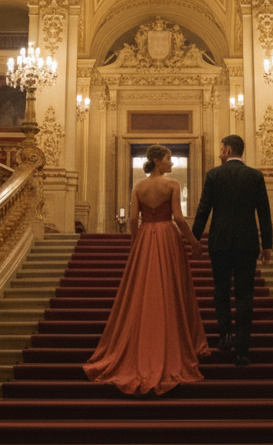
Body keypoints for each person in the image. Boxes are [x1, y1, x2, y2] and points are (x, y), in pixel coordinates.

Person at [84, 145, 210, 395]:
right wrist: (194, 243)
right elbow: (179, 218)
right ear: (156, 160)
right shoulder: (172, 185)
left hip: (145, 237)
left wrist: (135, 242)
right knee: (170, 287)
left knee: (142, 290)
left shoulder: (138, 187)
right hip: (166, 237)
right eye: (168, 159)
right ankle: (173, 342)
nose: (171, 164)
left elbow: (133, 219)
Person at [192, 134, 272, 367]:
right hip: (247, 243)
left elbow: (203, 209)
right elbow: (264, 212)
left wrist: (194, 239)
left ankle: (225, 334)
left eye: (220, 147)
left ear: (227, 149)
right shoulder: (255, 176)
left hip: (220, 242)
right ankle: (242, 350)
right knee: (245, 294)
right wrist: (267, 244)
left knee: (221, 289)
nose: (219, 151)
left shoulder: (214, 175)